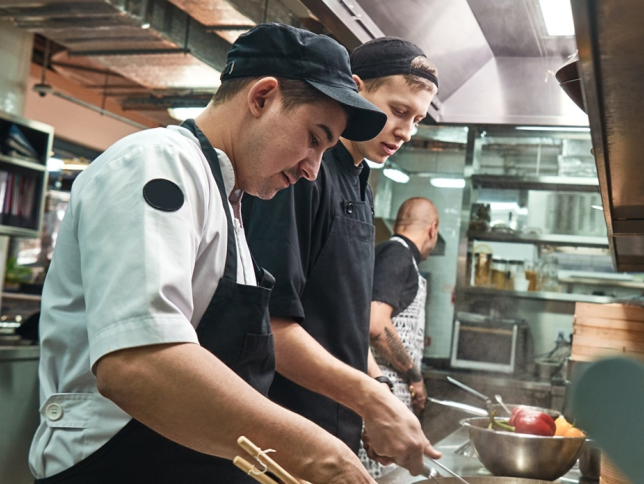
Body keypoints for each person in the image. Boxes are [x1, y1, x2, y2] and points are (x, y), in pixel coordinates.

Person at [28, 23, 387, 484]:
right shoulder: (158, 162)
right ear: (262, 98)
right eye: (314, 138)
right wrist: (316, 452)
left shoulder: (229, 202)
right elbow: (140, 365)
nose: (313, 170)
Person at [242, 37, 441, 475]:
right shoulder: (299, 173)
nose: (407, 130)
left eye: (418, 119)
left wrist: (375, 393)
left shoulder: (361, 183)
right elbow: (269, 325)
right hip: (284, 436)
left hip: (335, 436)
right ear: (356, 90)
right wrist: (370, 399)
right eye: (399, 110)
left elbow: (343, 321)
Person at [360, 197, 439, 477]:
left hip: (383, 399)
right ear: (433, 229)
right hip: (381, 395)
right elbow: (376, 325)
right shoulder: (398, 255)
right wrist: (415, 375)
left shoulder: (390, 252)